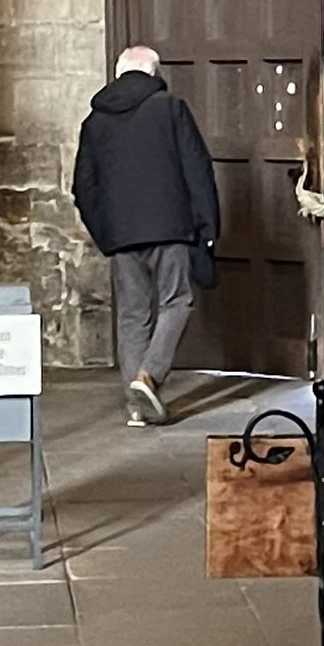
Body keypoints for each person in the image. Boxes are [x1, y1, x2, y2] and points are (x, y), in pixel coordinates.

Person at [72, 44, 221, 426]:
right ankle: (148, 376)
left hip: (121, 236)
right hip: (171, 228)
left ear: (120, 72)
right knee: (176, 302)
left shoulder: (95, 121)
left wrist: (105, 233)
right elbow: (197, 170)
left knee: (133, 315)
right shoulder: (170, 109)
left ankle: (137, 407)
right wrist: (207, 228)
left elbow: (83, 187)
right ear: (154, 73)